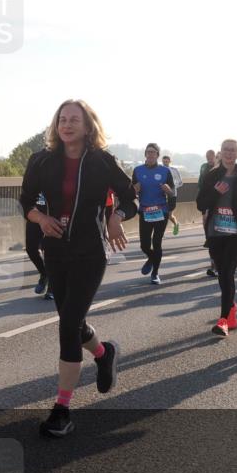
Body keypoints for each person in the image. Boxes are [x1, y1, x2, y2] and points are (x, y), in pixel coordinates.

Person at [20, 100, 136, 438]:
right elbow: (26, 202)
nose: (67, 125)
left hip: (90, 252)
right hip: (55, 251)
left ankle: (62, 408)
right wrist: (41, 218)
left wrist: (117, 217)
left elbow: (132, 198)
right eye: (62, 119)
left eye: (74, 120)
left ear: (88, 127)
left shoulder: (102, 161)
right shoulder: (41, 161)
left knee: (68, 325)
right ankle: (103, 353)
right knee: (73, 321)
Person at [197, 139, 237, 336]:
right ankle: (231, 307)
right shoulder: (211, 176)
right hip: (216, 233)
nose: (229, 153)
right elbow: (201, 204)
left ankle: (223, 320)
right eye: (226, 150)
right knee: (222, 273)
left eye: (233, 150)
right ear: (220, 153)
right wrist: (215, 193)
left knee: (226, 273)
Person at [132, 143, 174, 285]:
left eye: (153, 152)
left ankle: (155, 273)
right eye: (148, 152)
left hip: (161, 211)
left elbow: (173, 193)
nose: (150, 154)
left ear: (157, 155)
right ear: (145, 154)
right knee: (144, 245)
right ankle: (152, 258)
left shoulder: (165, 171)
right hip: (145, 211)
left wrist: (168, 191)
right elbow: (131, 193)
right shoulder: (137, 170)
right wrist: (134, 190)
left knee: (157, 243)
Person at [199, 149, 219, 277]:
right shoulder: (205, 168)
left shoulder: (229, 171)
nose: (209, 158)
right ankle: (214, 266)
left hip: (224, 211)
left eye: (212, 156)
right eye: (207, 156)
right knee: (211, 236)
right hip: (208, 206)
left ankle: (222, 264)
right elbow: (201, 185)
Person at [162, 155, 182, 236]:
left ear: (170, 161)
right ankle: (161, 232)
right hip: (162, 195)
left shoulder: (174, 170)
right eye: (164, 162)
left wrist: (172, 187)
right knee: (163, 214)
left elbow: (180, 182)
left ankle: (176, 224)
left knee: (169, 215)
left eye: (167, 162)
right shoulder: (159, 170)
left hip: (172, 195)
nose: (165, 163)